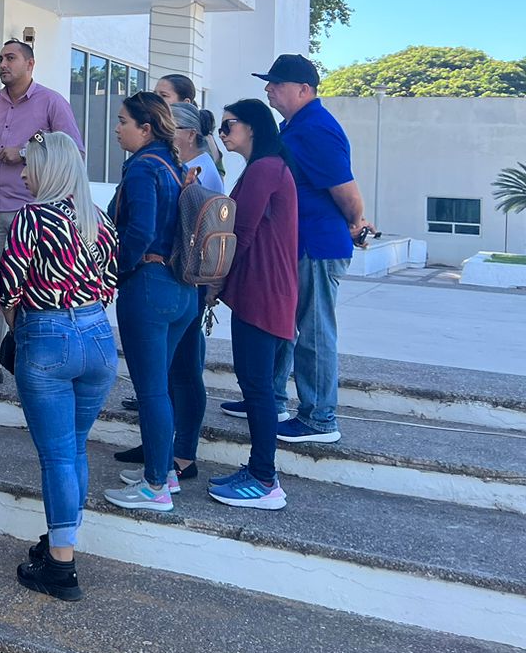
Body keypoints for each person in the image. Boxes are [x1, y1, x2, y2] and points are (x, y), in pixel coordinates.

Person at [0, 131, 119, 601]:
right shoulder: (99, 221)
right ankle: (61, 542)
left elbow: (9, 287)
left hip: (48, 335)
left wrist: (26, 328)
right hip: (98, 337)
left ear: (49, 169)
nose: (24, 172)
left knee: (57, 457)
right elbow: (109, 283)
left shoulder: (33, 217)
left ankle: (61, 568)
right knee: (75, 448)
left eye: (29, 165)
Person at [254, 53, 374, 445]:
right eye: (268, 82)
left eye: (277, 83)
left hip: (318, 247)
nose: (269, 88)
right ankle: (276, 402)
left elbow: (347, 192)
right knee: (290, 327)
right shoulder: (297, 125)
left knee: (315, 332)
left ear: (303, 89)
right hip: (301, 245)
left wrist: (355, 224)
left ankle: (320, 418)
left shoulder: (315, 129)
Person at [0, 40, 84, 382]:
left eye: (10, 58)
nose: (2, 64)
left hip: (32, 212)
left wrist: (29, 152)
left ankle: (30, 355)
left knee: (27, 285)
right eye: (0, 58)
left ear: (30, 64)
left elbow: (75, 151)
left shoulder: (51, 102)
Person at [104, 92, 197, 512]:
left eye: (123, 121)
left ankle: (155, 485)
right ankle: (165, 471)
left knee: (152, 391)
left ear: (145, 128)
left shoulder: (142, 168)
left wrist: (111, 271)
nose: (117, 127)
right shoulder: (173, 164)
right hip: (182, 288)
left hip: (148, 286)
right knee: (162, 386)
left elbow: (137, 232)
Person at [208, 99, 299, 508]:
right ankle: (259, 472)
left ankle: (264, 479)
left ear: (253, 128)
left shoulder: (265, 169)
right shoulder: (263, 167)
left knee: (259, 390)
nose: (224, 134)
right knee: (255, 386)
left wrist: (213, 283)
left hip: (265, 294)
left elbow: (238, 235)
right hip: (261, 292)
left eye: (229, 126)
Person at [157, 73, 223, 176]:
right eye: (154, 94)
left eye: (164, 95)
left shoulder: (205, 142)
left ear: (185, 102)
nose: (156, 100)